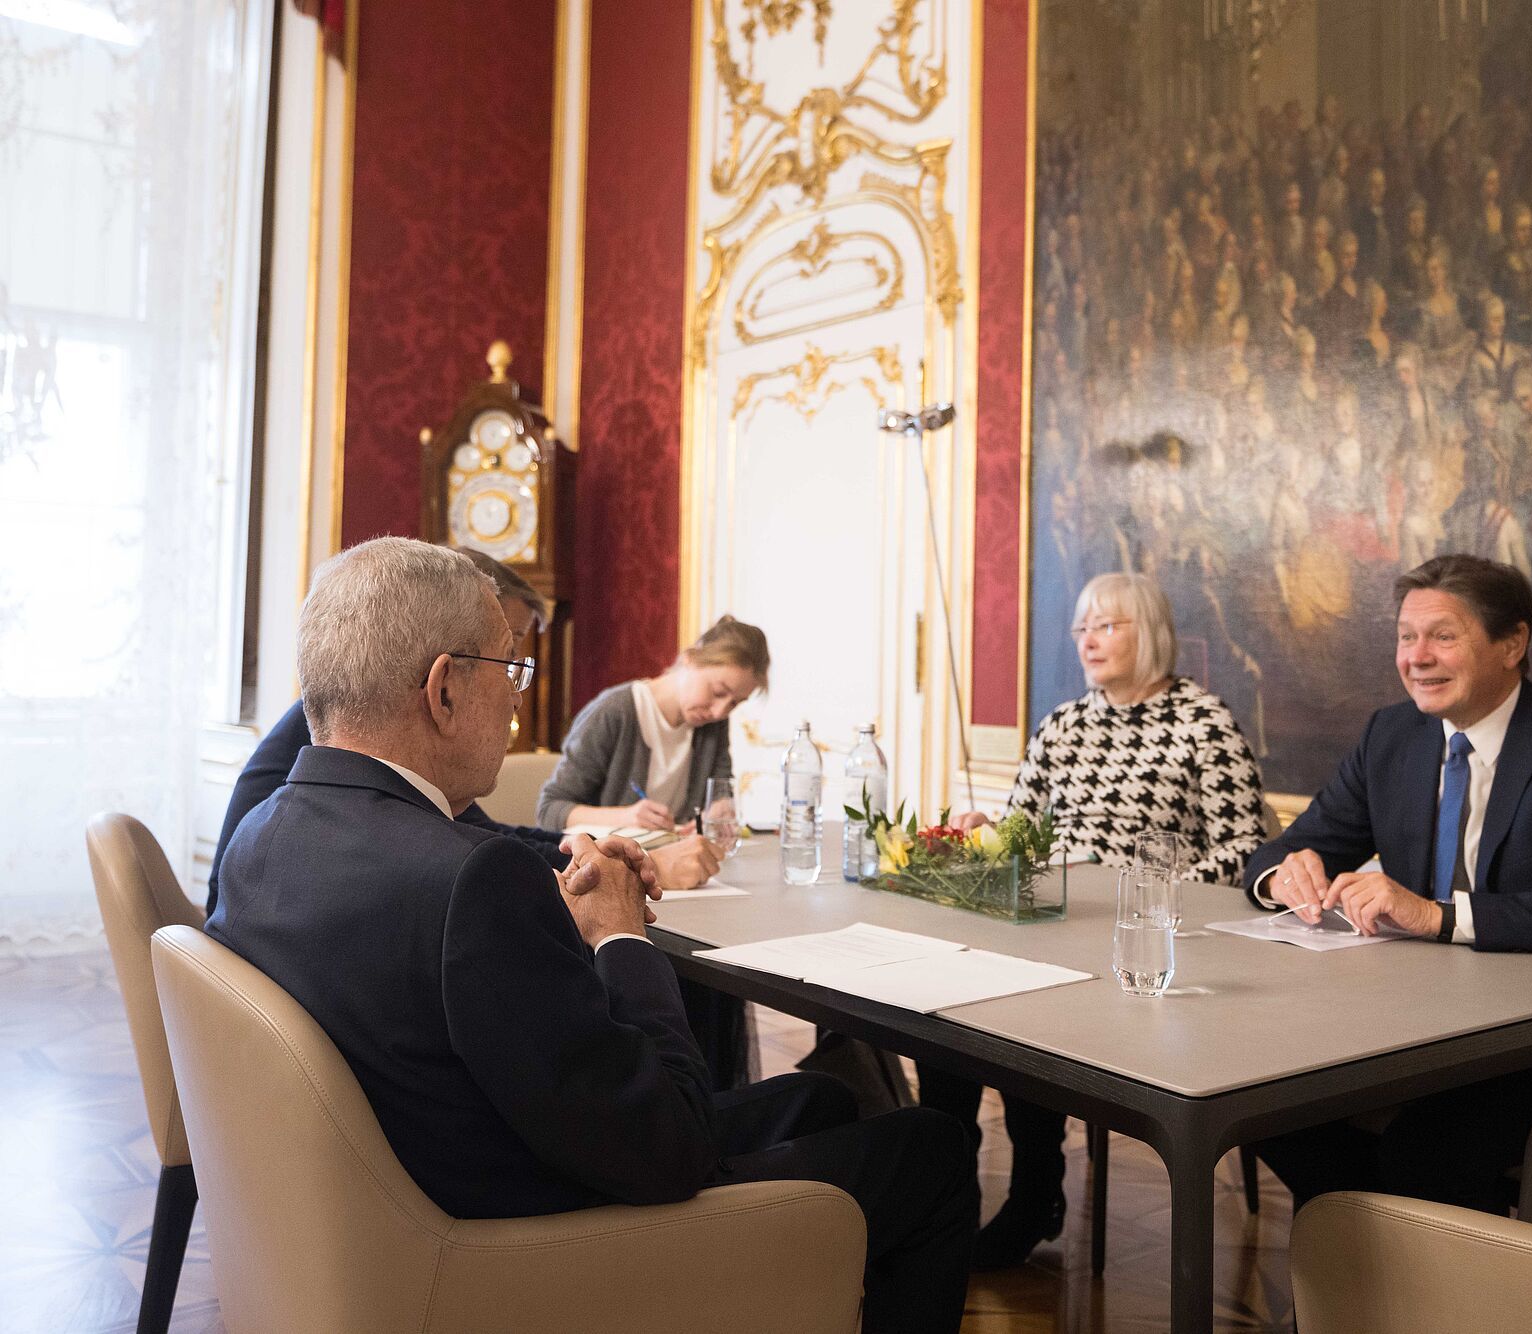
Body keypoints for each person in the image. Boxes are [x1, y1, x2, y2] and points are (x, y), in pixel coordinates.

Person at [208, 539, 975, 1332]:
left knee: (820, 1096)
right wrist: (620, 937)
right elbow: (669, 1145)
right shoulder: (471, 885)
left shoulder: (262, 836)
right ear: (442, 691)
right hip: (535, 1247)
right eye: (510, 670)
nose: (517, 701)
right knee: (934, 1150)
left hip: (413, 1189)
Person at [1243, 553, 1532, 1214]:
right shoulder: (1392, 735)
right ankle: (1368, 1266)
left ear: (1513, 643)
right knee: (1256, 1095)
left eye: (1442, 636)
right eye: (1405, 637)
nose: (1417, 657)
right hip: (1398, 1019)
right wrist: (1283, 876)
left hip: (1524, 1036)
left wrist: (1441, 917)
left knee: (1425, 1156)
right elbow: (1285, 850)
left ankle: (1390, 1275)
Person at [922, 572, 1266, 1269]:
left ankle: (1035, 1193)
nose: (1089, 640)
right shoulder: (1065, 724)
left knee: (1024, 1017)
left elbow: (1248, 850)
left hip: (1144, 936)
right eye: (1083, 627)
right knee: (944, 1008)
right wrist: (988, 832)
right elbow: (1022, 828)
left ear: (1152, 634)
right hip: (1049, 914)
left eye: (1107, 625)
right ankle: (939, 1196)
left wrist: (1143, 888)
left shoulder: (1202, 720)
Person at [202, 548, 721, 917]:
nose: (517, 683)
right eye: (506, 655)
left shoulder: (268, 829)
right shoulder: (359, 727)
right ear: (444, 686)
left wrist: (589, 851)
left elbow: (478, 836)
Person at [536, 613, 772, 1088]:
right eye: (718, 689)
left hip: (676, 886)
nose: (722, 709)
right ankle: (681, 1092)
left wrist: (719, 809)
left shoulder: (709, 727)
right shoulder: (616, 711)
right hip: (614, 893)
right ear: (687, 662)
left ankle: (711, 1094)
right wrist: (623, 815)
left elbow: (714, 795)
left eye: (737, 702)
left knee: (717, 962)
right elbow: (549, 811)